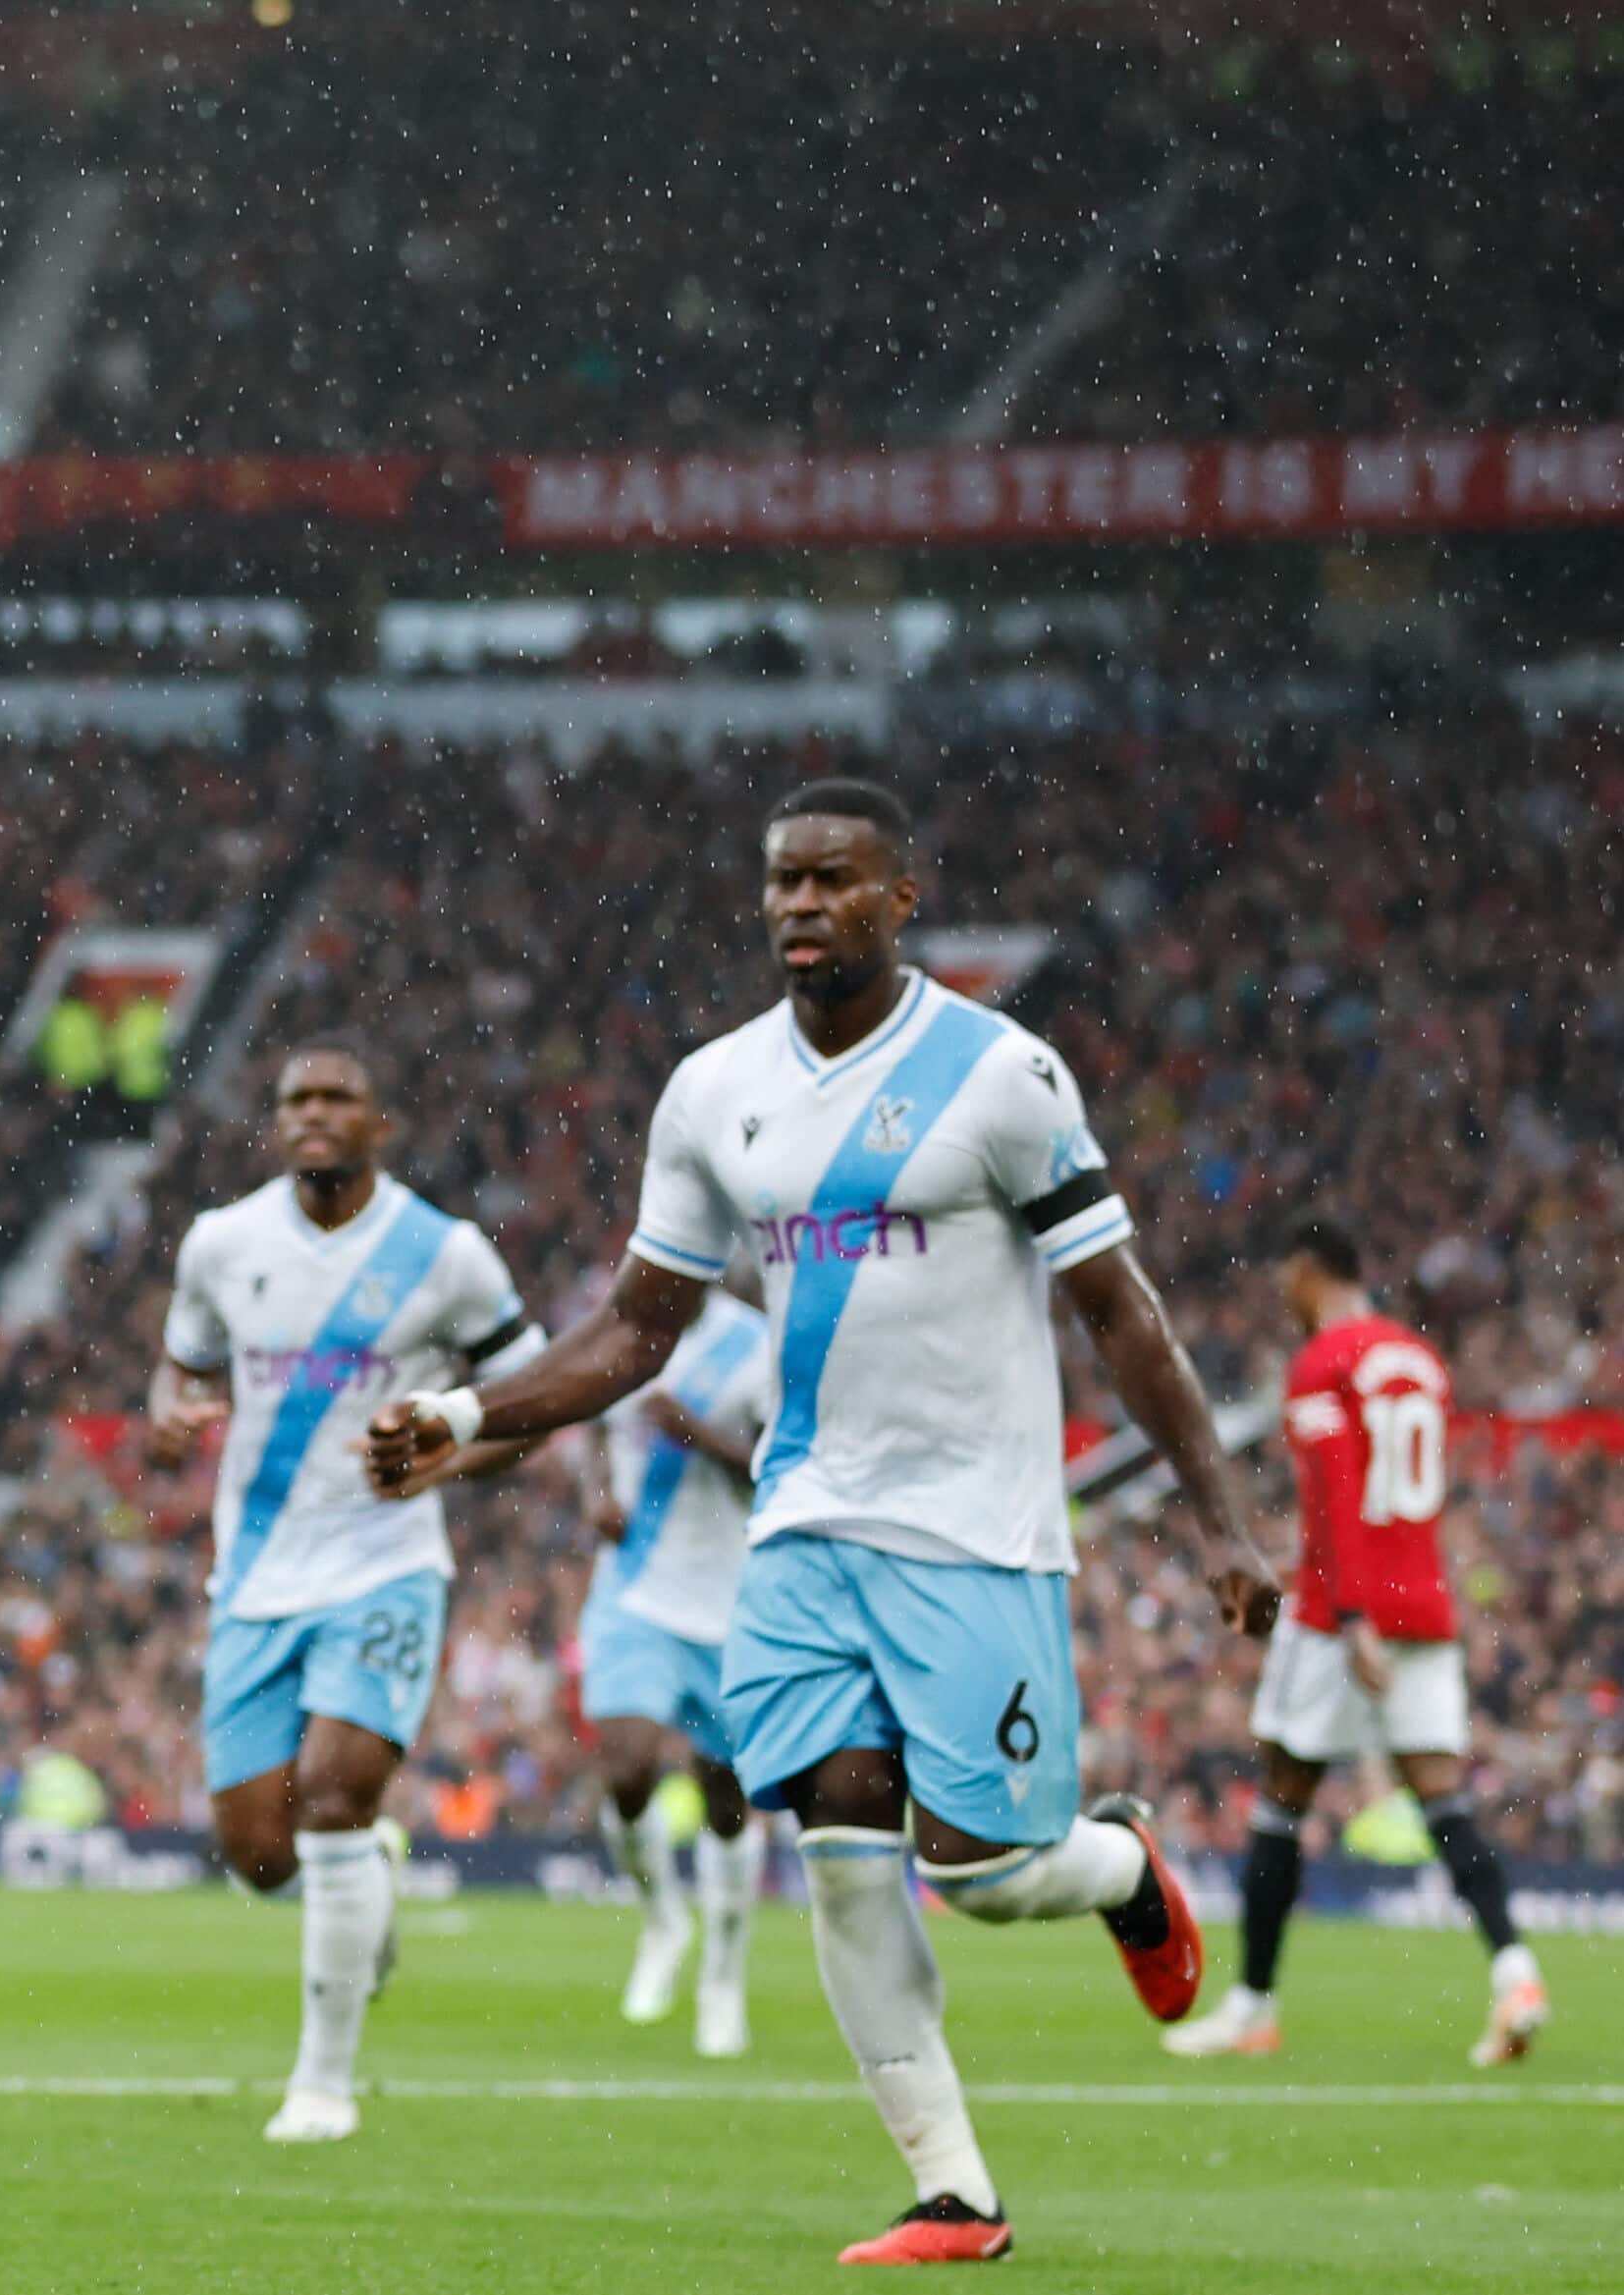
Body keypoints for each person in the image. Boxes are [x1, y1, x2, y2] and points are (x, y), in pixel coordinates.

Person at [365, 778, 1282, 2267]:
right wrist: (466, 1419)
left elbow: (1120, 1312)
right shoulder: (713, 1090)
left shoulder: (1001, 1076)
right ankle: (953, 2193)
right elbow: (632, 1333)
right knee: (839, 1840)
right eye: (783, 882)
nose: (801, 906)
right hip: (799, 1530)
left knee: (982, 1875)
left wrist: (1223, 1524)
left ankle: (1116, 1866)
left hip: (972, 1528)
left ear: (898, 899)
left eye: (833, 881)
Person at [141, 1043, 549, 2145]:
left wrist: (446, 1457)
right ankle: (364, 1877)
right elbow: (176, 1370)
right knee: (258, 1852)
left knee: (330, 1790)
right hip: (256, 1575)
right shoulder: (223, 1244)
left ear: (379, 1123)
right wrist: (171, 1409)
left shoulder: (442, 1255)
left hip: (384, 1563)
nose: (312, 1114)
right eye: (294, 1099)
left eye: (336, 1098)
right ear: (274, 1122)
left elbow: (531, 1399)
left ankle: (321, 2082)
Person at [1164, 1221, 1548, 2067]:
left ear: (1309, 1271)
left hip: (1346, 1605)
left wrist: (1351, 1616)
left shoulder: (1323, 1362)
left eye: (1284, 1279)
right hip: (1426, 1598)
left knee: (1281, 1791)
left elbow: (1335, 1496)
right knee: (1442, 1797)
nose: (1282, 1295)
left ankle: (1253, 2006)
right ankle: (1516, 1971)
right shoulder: (1420, 1360)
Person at [579, 1281, 776, 2056]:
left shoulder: (755, 1345)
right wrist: (599, 1494)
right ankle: (663, 1918)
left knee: (725, 1796)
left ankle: (722, 1976)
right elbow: (594, 1429)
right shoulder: (616, 1327)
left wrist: (699, 1435)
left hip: (727, 1601)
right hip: (634, 1593)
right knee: (625, 1765)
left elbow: (777, 1469)